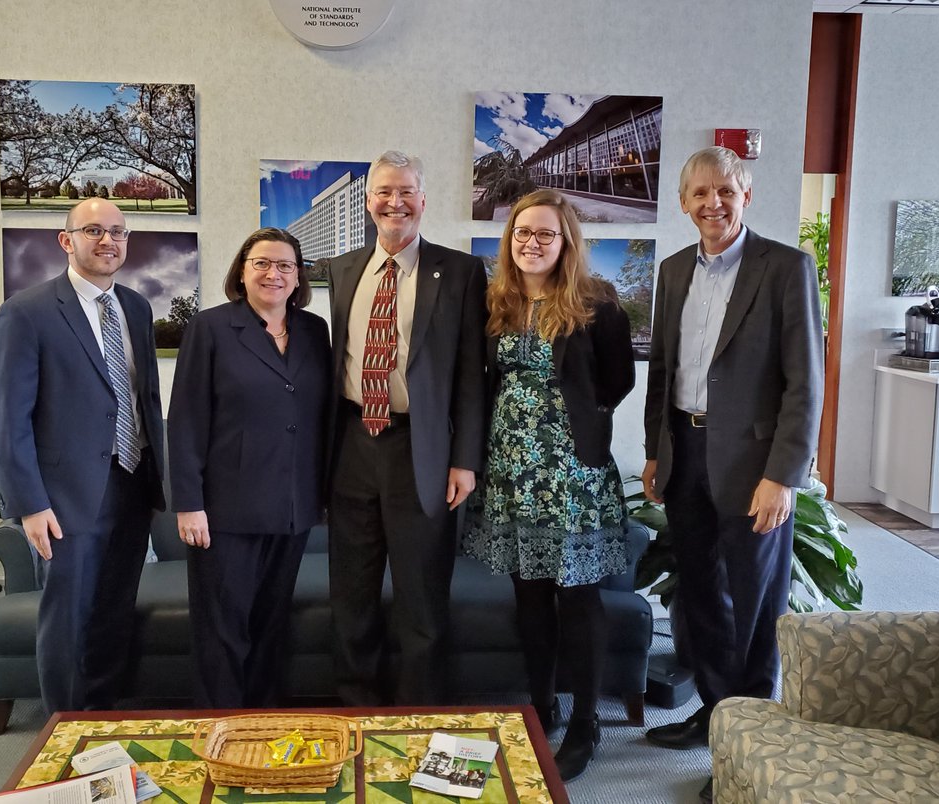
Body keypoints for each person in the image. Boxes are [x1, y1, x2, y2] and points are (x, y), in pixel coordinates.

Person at [642, 147, 823, 803]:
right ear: (683, 203)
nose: (712, 204)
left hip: (753, 466)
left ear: (745, 195)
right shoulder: (670, 272)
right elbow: (663, 373)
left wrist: (784, 475)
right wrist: (656, 452)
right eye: (700, 194)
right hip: (685, 456)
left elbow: (806, 384)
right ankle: (717, 715)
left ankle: (750, 750)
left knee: (755, 606)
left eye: (724, 191)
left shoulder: (785, 268)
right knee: (702, 600)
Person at [462, 190, 635, 782]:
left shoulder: (597, 303)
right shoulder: (495, 302)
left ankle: (586, 720)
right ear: (510, 241)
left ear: (565, 242)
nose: (531, 243)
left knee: (578, 597)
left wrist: (574, 423)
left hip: (571, 473)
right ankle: (542, 703)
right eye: (522, 233)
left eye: (545, 234)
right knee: (529, 595)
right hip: (511, 472)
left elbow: (618, 380)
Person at [0, 197, 166, 713]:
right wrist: (29, 503)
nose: (108, 241)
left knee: (113, 611)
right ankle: (62, 729)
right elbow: (6, 417)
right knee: (67, 617)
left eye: (118, 232)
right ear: (66, 241)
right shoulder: (26, 311)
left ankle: (102, 717)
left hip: (132, 483)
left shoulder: (135, 306)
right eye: (94, 230)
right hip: (63, 498)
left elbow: (141, 398)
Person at [327, 149, 488, 706]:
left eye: (405, 192)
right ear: (369, 201)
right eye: (383, 192)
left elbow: (472, 374)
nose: (395, 203)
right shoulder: (343, 268)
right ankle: (357, 710)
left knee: (421, 598)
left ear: (423, 199)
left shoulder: (460, 271)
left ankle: (418, 713)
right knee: (352, 594)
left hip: (420, 450)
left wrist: (465, 460)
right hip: (351, 446)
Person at [168, 228, 332, 707]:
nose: (273, 274)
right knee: (223, 628)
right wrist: (189, 503)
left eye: (285, 265)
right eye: (262, 263)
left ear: (298, 276)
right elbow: (186, 420)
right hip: (226, 511)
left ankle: (264, 724)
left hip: (292, 507)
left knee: (271, 624)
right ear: (242, 270)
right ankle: (221, 727)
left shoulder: (312, 330)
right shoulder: (211, 327)